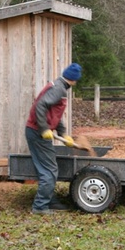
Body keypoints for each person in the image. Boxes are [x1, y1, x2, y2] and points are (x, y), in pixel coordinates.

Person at [25, 63, 82, 215]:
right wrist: (43, 128)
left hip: (37, 131)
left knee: (50, 169)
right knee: (49, 170)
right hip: (37, 132)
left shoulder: (58, 86)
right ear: (74, 80)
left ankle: (49, 199)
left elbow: (54, 114)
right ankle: (40, 206)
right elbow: (40, 106)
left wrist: (63, 134)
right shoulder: (59, 89)